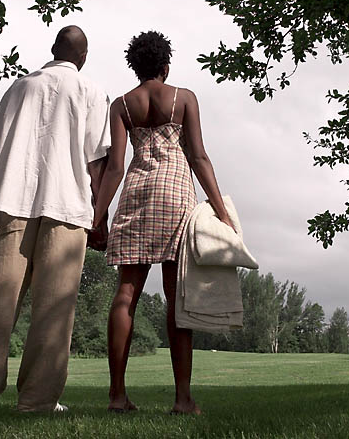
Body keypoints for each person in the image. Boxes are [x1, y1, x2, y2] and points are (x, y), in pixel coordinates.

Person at [0, 25, 111, 412]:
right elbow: (96, 160)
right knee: (54, 308)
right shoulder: (91, 92)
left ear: (52, 49)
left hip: (13, 203)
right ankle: (37, 401)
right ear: (83, 56)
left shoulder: (19, 88)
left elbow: (0, 152)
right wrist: (100, 216)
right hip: (67, 206)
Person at [92, 31, 232, 415]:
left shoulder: (121, 104)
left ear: (135, 67)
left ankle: (117, 396)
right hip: (175, 195)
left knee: (126, 294)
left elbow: (116, 167)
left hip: (136, 193)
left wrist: (98, 216)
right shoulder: (184, 98)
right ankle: (183, 399)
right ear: (166, 65)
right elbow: (199, 157)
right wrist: (221, 210)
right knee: (176, 299)